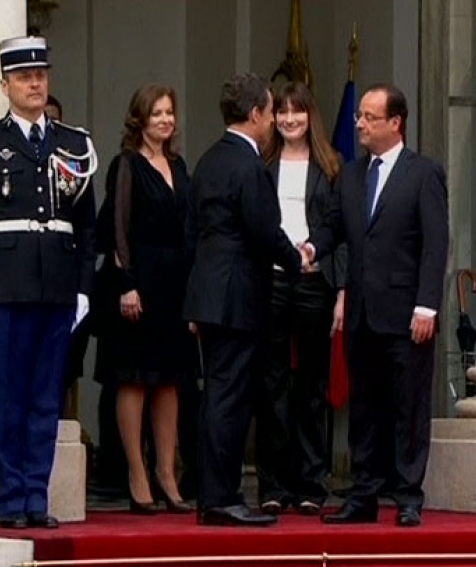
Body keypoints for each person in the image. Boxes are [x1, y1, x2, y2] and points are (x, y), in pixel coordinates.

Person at [0, 36, 97, 529]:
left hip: (56, 284)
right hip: (4, 288)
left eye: (41, 75)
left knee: (45, 399)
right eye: (24, 77)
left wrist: (83, 288)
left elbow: (86, 223)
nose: (35, 83)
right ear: (5, 84)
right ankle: (10, 500)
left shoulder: (74, 144)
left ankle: (37, 496)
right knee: (8, 398)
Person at [303, 83, 449, 528]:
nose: (359, 124)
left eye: (369, 117)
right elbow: (335, 229)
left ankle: (407, 495)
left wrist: (427, 306)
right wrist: (311, 248)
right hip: (363, 313)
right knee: (364, 407)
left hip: (407, 314)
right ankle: (363, 496)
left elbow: (434, 245)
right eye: (360, 116)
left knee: (407, 407)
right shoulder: (351, 174)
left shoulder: (424, 174)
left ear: (395, 122)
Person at [183, 73, 303, 527]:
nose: (273, 121)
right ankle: (221, 497)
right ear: (255, 114)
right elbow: (263, 229)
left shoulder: (208, 160)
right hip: (237, 296)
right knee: (230, 399)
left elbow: (191, 234)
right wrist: (297, 261)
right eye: (271, 112)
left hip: (210, 295)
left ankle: (212, 493)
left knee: (217, 394)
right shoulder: (249, 166)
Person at [95, 84, 194, 514]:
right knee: (134, 377)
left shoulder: (179, 164)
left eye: (170, 112)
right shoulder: (126, 166)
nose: (165, 120)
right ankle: (137, 472)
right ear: (140, 118)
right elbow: (118, 229)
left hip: (176, 284)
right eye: (157, 113)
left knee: (170, 380)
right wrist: (127, 284)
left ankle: (166, 472)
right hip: (138, 282)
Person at [255, 81, 344, 516]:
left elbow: (337, 227)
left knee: (312, 385)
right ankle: (271, 484)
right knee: (270, 384)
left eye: (298, 112)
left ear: (311, 116)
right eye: (282, 112)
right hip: (270, 281)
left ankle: (310, 482)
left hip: (313, 282)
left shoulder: (331, 166)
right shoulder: (261, 163)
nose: (290, 119)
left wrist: (317, 257)